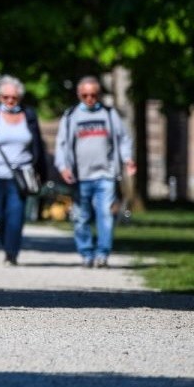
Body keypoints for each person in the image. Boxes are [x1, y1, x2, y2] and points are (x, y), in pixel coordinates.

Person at [54, 75, 136, 268]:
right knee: (81, 217)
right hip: (80, 176)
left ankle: (102, 253)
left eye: (93, 95)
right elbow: (61, 144)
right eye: (85, 95)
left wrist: (127, 159)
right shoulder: (71, 115)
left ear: (99, 94)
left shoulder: (109, 114)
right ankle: (86, 252)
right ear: (79, 95)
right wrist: (63, 166)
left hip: (105, 174)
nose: (90, 99)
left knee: (105, 215)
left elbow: (123, 138)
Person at [0, 75, 49, 266]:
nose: (9, 101)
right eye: (5, 97)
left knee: (16, 214)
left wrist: (41, 172)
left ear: (20, 98)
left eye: (13, 98)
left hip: (22, 175)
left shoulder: (29, 116)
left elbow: (38, 145)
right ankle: (7, 244)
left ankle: (11, 253)